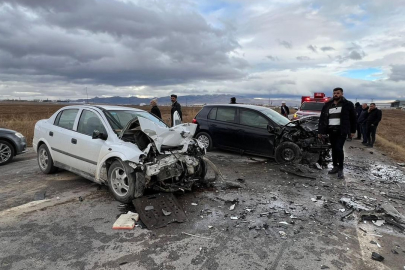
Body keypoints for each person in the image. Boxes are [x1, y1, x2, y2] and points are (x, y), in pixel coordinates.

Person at [318, 88, 356, 179]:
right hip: (331, 130)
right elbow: (322, 119)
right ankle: (335, 166)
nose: (336, 94)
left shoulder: (348, 104)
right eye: (334, 93)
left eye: (338, 93)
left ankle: (340, 169)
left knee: (339, 148)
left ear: (342, 94)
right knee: (334, 149)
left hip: (341, 130)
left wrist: (353, 131)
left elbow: (353, 118)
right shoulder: (328, 105)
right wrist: (320, 132)